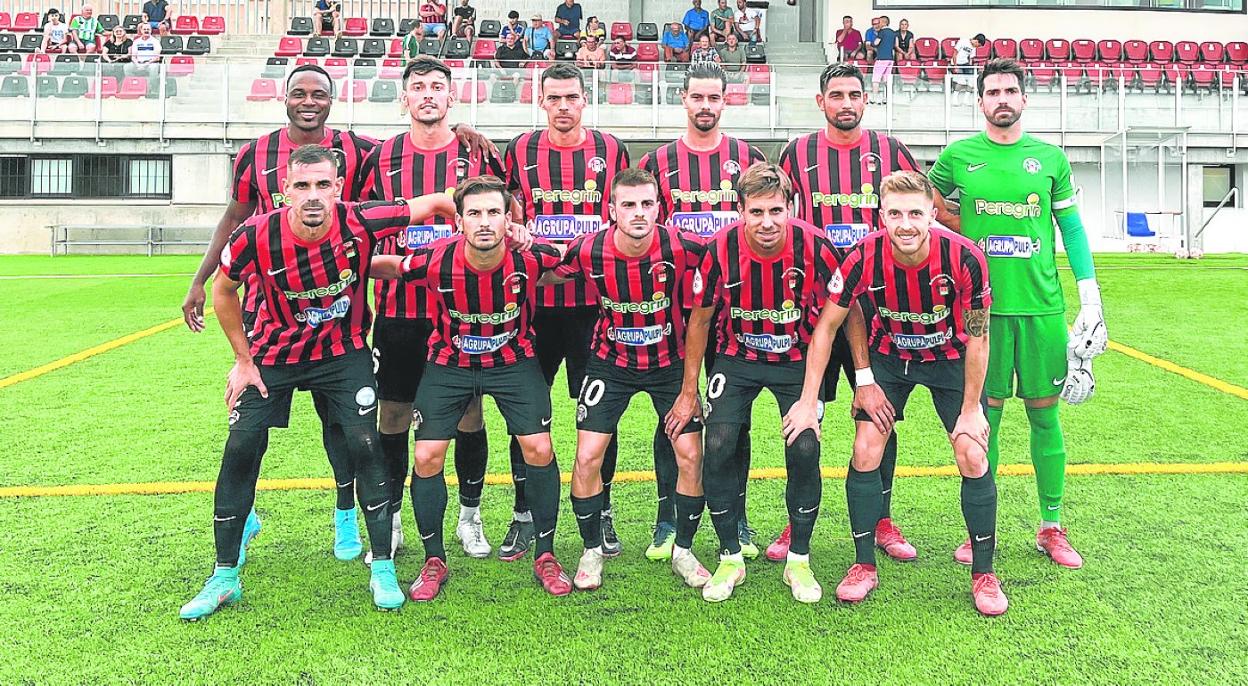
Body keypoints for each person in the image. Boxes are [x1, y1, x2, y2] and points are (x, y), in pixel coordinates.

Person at [180, 64, 497, 565]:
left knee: (351, 427)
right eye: (299, 92)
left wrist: (458, 130)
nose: (309, 100)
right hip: (274, 319)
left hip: (345, 319)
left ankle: (352, 518)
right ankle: (247, 519)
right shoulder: (253, 155)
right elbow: (235, 217)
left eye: (319, 93)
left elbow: (414, 169)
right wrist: (200, 281)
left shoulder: (361, 151)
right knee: (252, 433)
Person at [178, 144, 459, 620]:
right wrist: (242, 361)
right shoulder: (255, 235)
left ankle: (383, 566)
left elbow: (438, 200)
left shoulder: (363, 219)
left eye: (323, 185)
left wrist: (471, 228)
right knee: (241, 447)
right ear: (284, 191)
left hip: (341, 354)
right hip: (273, 355)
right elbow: (225, 292)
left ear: (338, 189)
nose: (313, 196)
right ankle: (225, 575)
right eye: (302, 186)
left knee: (365, 445)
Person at [782, 170, 1007, 617]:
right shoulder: (863, 256)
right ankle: (863, 564)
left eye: (916, 214)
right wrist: (814, 400)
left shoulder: (965, 258)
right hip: (891, 360)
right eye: (896, 214)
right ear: (881, 215)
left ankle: (984, 572)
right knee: (866, 450)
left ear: (932, 215)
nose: (906, 224)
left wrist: (970, 411)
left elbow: (979, 337)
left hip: (950, 362)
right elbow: (828, 325)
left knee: (972, 453)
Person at [928, 58, 1105, 571]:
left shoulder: (1050, 158)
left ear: (1023, 99)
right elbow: (929, 202)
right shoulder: (959, 157)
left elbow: (1070, 230)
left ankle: (1051, 526)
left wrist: (1090, 298)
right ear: (980, 101)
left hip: (1042, 307)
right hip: (981, 312)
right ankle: (984, 530)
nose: (1002, 99)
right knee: (988, 417)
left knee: (1045, 414)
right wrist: (963, 234)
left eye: (1010, 91)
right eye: (993, 92)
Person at [775, 62, 956, 563]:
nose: (846, 103)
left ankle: (880, 519)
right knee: (806, 414)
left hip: (881, 310)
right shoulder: (797, 154)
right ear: (821, 101)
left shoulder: (892, 152)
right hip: (815, 305)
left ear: (865, 100)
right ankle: (798, 522)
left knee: (877, 411)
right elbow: (781, 219)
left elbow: (929, 209)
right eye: (836, 94)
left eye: (855, 94)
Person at [666, 163, 860, 604]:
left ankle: (799, 560)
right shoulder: (720, 250)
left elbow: (849, 311)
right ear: (740, 211)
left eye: (776, 210)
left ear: (790, 207)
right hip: (738, 359)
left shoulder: (817, 246)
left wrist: (855, 380)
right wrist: (688, 391)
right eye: (756, 212)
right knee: (717, 444)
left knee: (804, 445)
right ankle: (730, 555)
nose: (767, 221)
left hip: (797, 359)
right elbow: (699, 321)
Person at [372, 176, 570, 600]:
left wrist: (532, 241)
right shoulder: (434, 259)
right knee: (425, 455)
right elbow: (392, 267)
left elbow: (572, 260)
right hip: (450, 364)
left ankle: (547, 554)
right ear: (458, 220)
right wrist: (339, 260)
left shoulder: (529, 258)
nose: (485, 222)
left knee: (538, 448)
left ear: (508, 218)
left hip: (513, 362)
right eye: (475, 214)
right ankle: (433, 559)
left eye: (494, 213)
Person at [357, 57, 512, 563]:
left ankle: (470, 517)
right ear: (404, 98)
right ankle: (394, 518)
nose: (428, 95)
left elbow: (504, 229)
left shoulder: (479, 158)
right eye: (418, 87)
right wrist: (396, 266)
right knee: (394, 415)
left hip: (463, 312)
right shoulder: (378, 158)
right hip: (400, 315)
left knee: (469, 413)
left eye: (437, 88)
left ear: (452, 98)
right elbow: (357, 235)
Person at [543, 168, 712, 592]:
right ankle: (590, 551)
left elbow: (726, 268)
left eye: (647, 204)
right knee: (587, 458)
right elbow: (545, 272)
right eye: (629, 205)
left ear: (660, 206)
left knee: (690, 455)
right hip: (609, 363)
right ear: (612, 209)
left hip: (670, 363)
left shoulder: (684, 247)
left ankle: (685, 550)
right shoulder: (588, 250)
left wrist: (691, 390)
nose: (639, 214)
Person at [503, 63, 631, 561]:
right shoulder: (519, 149)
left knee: (599, 416)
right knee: (526, 415)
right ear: (541, 100)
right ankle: (524, 514)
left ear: (584, 100)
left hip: (593, 309)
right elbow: (496, 193)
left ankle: (602, 510)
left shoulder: (611, 149)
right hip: (532, 306)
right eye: (553, 97)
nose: (562, 106)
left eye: (571, 97)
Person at [639, 63, 766, 562]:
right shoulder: (658, 162)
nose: (706, 106)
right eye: (697, 97)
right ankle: (668, 515)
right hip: (678, 311)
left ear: (726, 101)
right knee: (675, 411)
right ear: (683, 100)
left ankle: (737, 516)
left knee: (735, 421)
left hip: (741, 313)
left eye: (714, 97)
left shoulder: (748, 159)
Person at [951, 33, 986, 105]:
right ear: (976, 41)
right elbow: (955, 53)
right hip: (957, 63)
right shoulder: (963, 41)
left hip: (966, 64)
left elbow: (970, 58)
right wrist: (955, 66)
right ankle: (954, 98)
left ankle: (966, 100)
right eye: (978, 45)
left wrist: (971, 67)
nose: (977, 47)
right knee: (961, 82)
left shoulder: (974, 48)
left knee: (971, 81)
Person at [871, 16, 896, 102]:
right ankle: (886, 98)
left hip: (882, 57)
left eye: (879, 22)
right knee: (886, 79)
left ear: (883, 22)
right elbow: (895, 44)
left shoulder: (882, 32)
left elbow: (876, 43)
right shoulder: (893, 32)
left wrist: (873, 41)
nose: (878, 24)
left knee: (876, 78)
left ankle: (874, 98)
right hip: (890, 58)